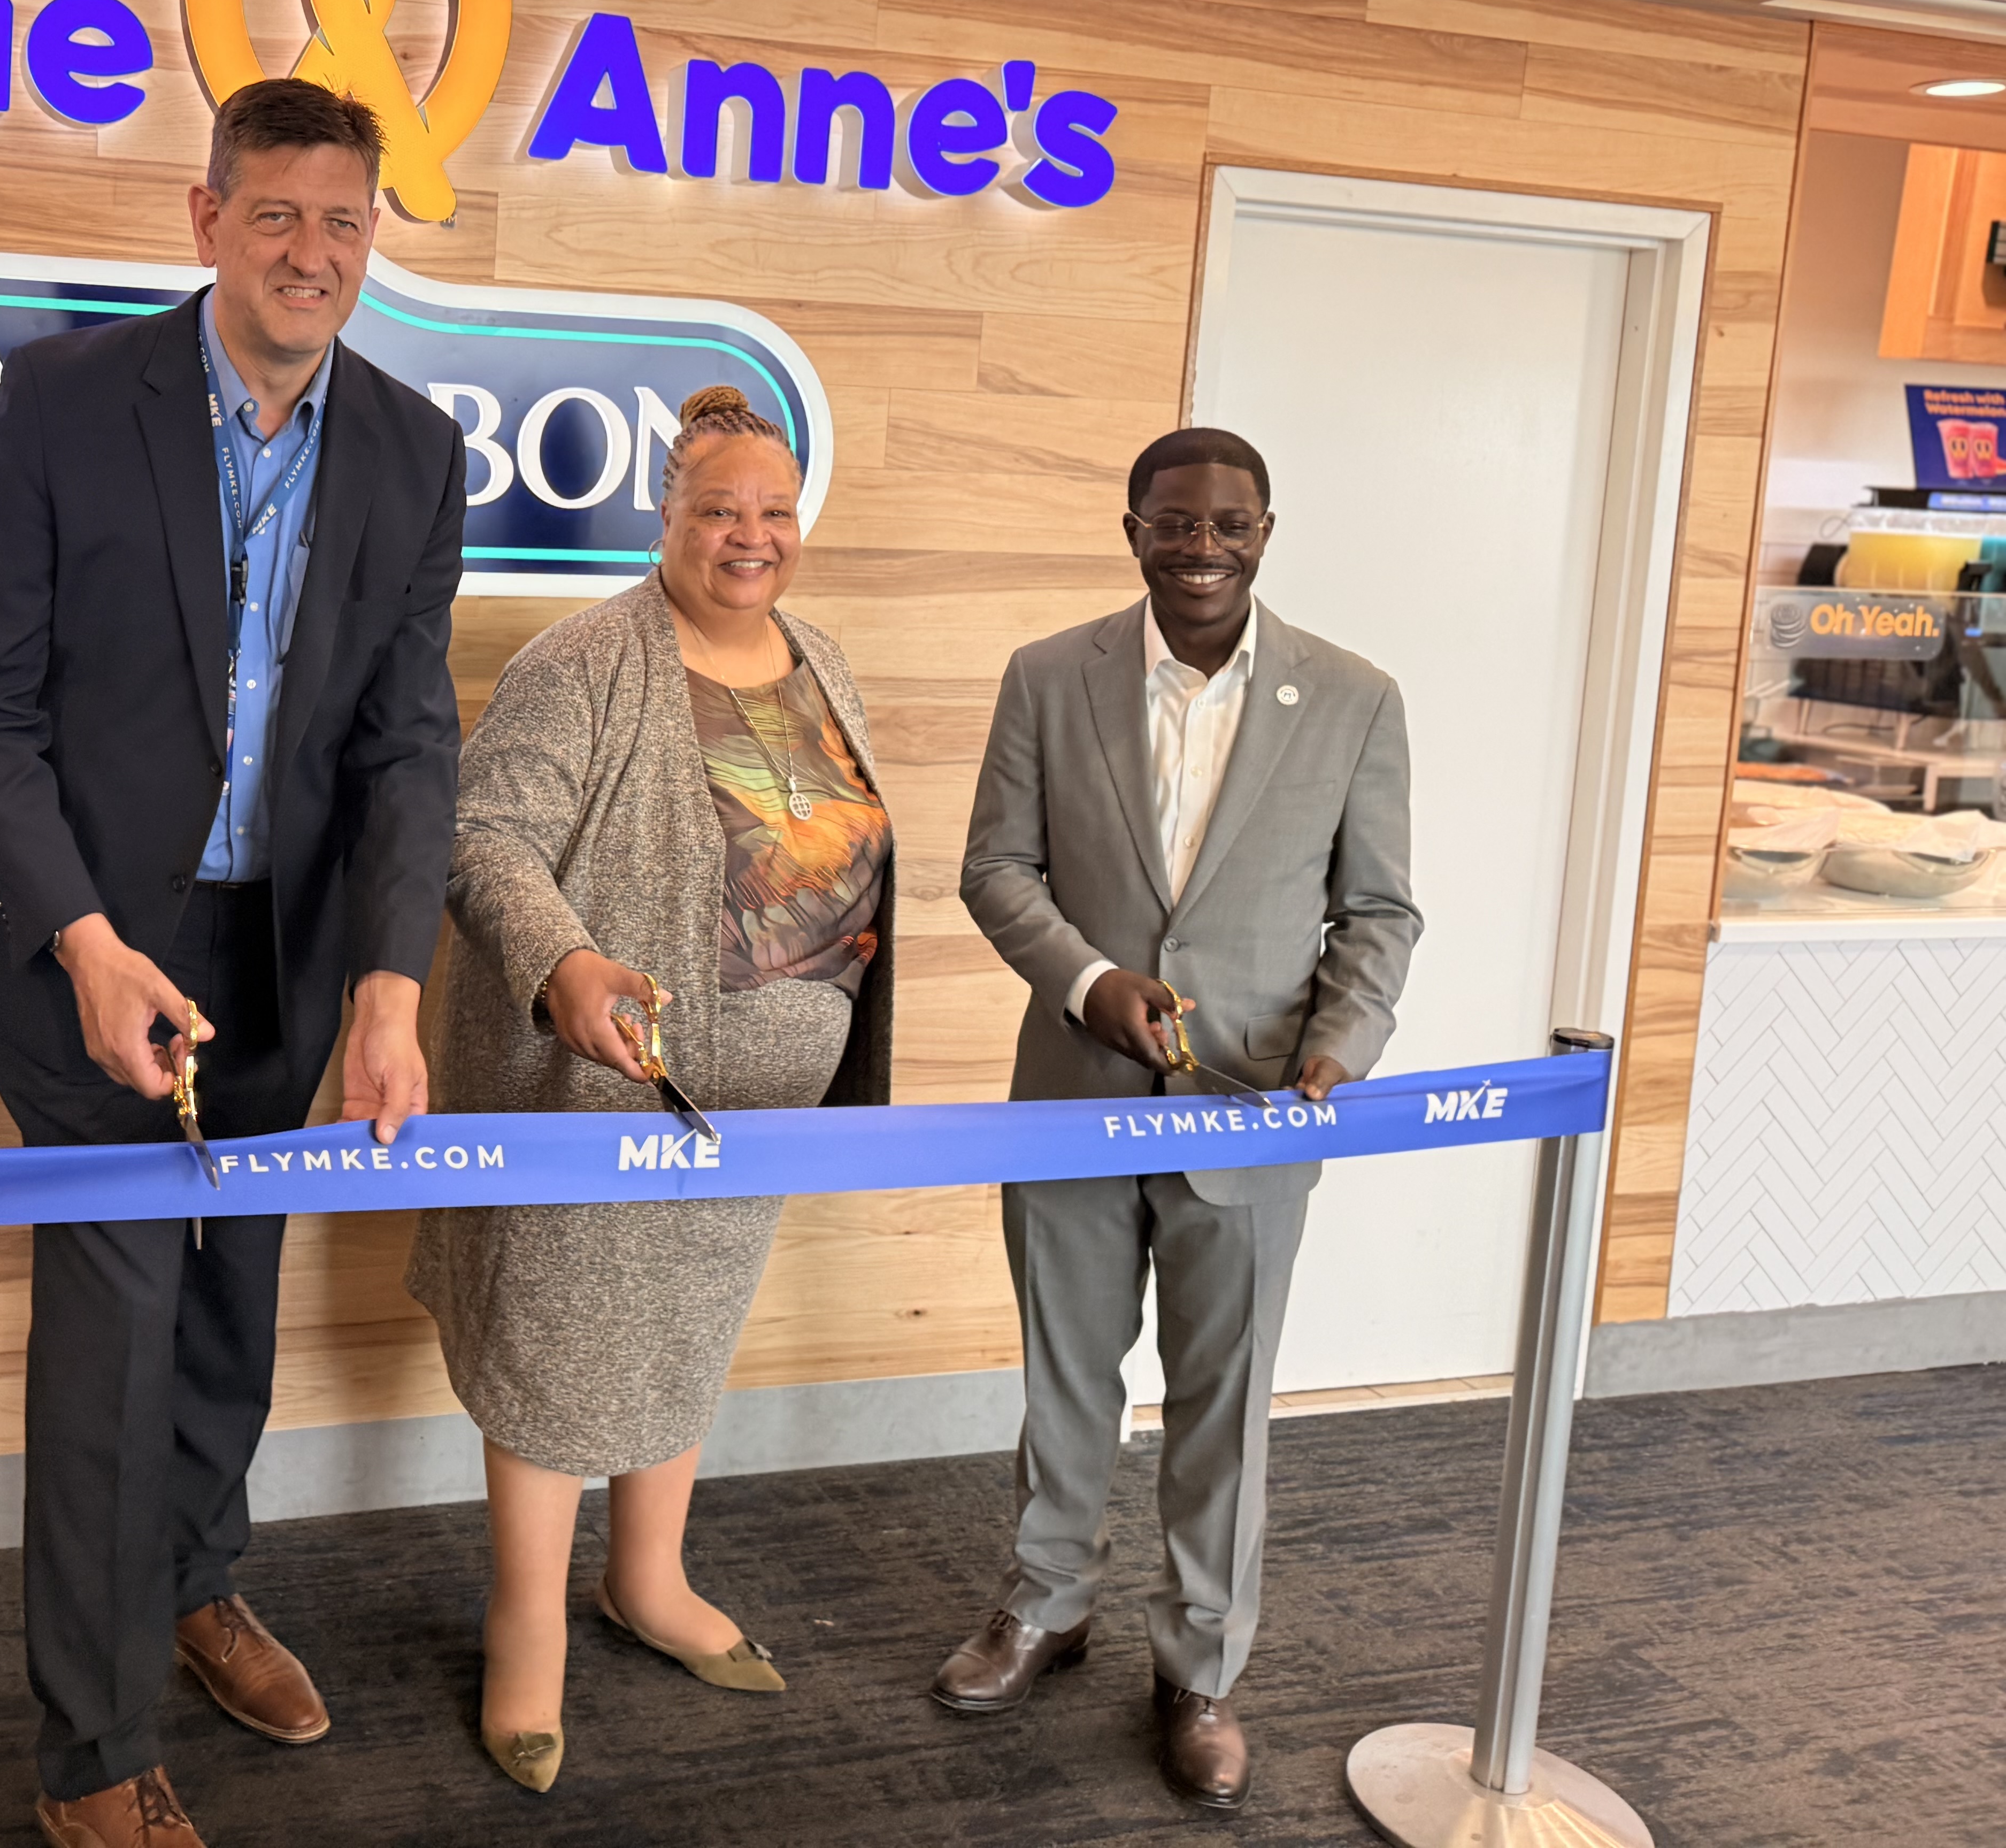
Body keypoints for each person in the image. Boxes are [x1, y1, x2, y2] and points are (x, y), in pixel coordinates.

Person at [0, 78, 465, 1848]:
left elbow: (408, 744)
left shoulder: (405, 447)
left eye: (346, 223)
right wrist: (83, 938)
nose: (314, 253)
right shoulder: (68, 405)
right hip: (86, 942)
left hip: (284, 951)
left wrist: (389, 984)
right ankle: (89, 1751)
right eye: (280, 215)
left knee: (233, 1284)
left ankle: (194, 1580)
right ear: (205, 216)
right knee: (117, 1320)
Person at [409, 385, 894, 1794]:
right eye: (720, 510)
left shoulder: (822, 659)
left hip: (751, 1109)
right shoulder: (587, 661)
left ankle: (649, 1578)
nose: (751, 536)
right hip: (593, 1091)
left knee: (687, 1330)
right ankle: (525, 1631)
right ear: (665, 519)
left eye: (775, 513)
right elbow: (485, 838)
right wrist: (562, 964)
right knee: (559, 1354)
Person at [937, 426, 1418, 1808]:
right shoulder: (1049, 675)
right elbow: (998, 868)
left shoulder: (1354, 698)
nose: (1201, 546)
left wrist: (1340, 1045)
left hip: (1256, 1113)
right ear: (1133, 525)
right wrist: (1087, 984)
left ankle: (1202, 1667)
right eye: (1175, 522)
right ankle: (1047, 1600)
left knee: (1225, 1401)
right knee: (1068, 1377)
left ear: (1268, 529)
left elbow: (1378, 910)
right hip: (1076, 1102)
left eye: (1230, 523)